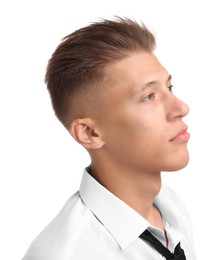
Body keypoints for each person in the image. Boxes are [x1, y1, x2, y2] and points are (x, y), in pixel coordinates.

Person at [22, 17, 196, 260]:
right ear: (89, 133)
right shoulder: (67, 254)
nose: (181, 108)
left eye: (170, 87)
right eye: (149, 96)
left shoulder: (170, 208)